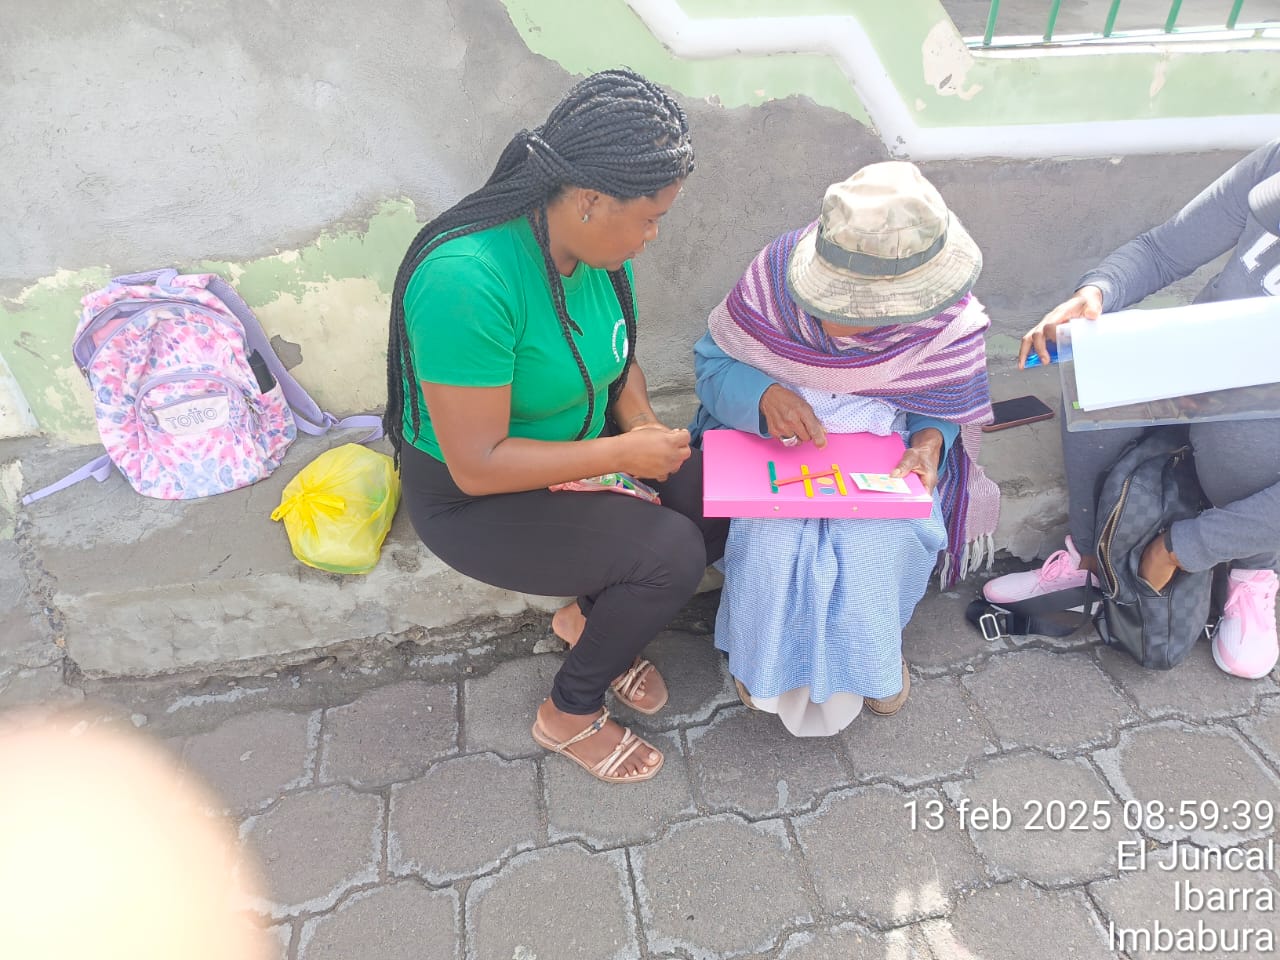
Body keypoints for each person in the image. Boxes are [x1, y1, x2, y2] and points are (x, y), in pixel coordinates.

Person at [384, 69, 727, 784]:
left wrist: (643, 429)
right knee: (669, 555)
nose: (653, 236)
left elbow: (617, 359)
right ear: (590, 200)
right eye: (649, 218)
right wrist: (620, 453)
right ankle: (568, 713)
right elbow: (478, 463)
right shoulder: (467, 279)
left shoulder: (596, 252)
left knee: (716, 491)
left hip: (575, 449)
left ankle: (587, 621)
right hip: (475, 497)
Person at [689, 161, 1000, 736]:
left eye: (861, 311)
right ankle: (765, 668)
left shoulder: (945, 319)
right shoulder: (773, 277)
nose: (838, 323)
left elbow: (945, 397)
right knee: (772, 543)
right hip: (772, 444)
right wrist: (763, 396)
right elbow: (712, 365)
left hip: (885, 451)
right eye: (832, 300)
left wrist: (931, 439)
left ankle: (873, 663)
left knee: (872, 549)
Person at [984, 138, 1280, 680]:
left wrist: (1181, 548)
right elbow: (1164, 250)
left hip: (1265, 416)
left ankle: (1252, 572)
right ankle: (1092, 557)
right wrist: (1099, 292)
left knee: (1250, 444)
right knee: (1093, 371)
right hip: (1208, 353)